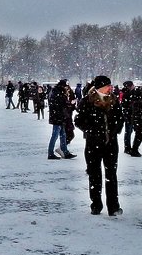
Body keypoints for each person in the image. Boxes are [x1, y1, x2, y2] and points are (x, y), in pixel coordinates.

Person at [74, 75, 124, 216]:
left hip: (110, 144)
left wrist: (115, 131)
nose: (110, 88)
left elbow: (120, 118)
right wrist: (92, 130)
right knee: (94, 175)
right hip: (93, 145)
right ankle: (96, 204)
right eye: (108, 86)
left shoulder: (114, 100)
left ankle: (113, 206)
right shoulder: (87, 101)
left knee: (111, 176)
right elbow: (78, 120)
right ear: (100, 87)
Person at [47, 79, 76, 159]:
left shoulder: (57, 92)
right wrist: (69, 103)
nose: (67, 88)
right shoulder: (58, 93)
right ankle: (50, 153)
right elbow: (60, 105)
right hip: (58, 117)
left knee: (63, 135)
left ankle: (65, 152)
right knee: (55, 135)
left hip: (60, 117)